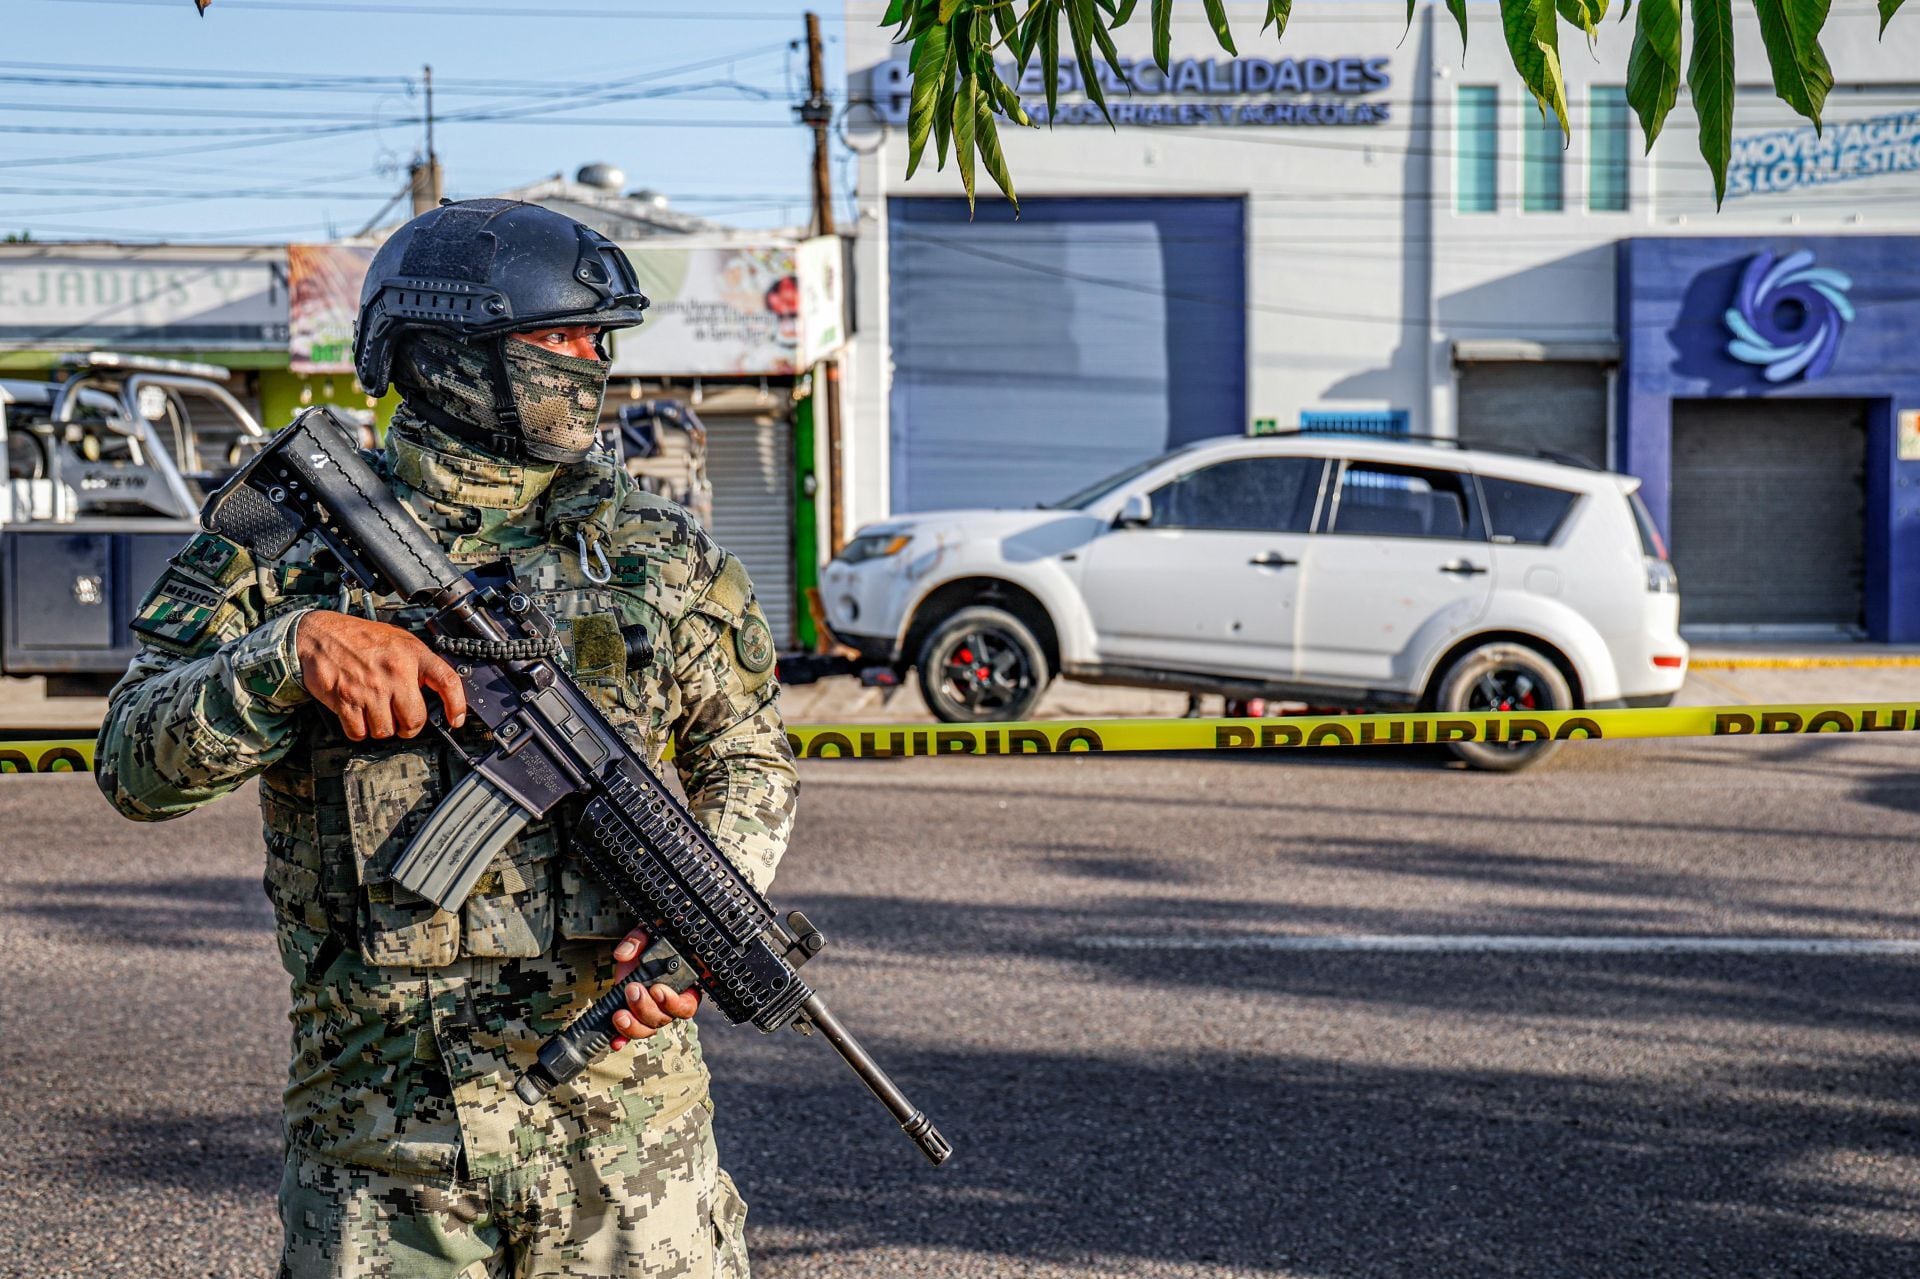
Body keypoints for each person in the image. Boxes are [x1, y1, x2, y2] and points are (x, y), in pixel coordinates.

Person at [94, 198, 798, 1278]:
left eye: (597, 340)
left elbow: (748, 753)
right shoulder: (285, 545)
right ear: (451, 356)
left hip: (630, 1155)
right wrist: (289, 655)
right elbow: (132, 764)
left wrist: (703, 912)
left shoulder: (657, 552)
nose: (592, 364)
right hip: (386, 1161)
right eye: (559, 338)